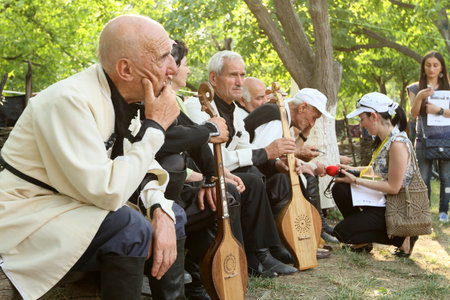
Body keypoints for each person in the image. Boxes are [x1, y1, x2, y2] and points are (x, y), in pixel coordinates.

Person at [0, 15, 187, 300]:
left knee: (173, 215)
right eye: (163, 57)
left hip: (76, 203)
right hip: (30, 213)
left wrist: (160, 210)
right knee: (131, 227)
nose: (172, 69)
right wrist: (156, 129)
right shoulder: (69, 100)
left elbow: (142, 167)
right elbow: (108, 191)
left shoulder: (125, 98)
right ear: (125, 69)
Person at [185, 50, 298, 278]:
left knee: (255, 174)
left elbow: (244, 150)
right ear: (213, 78)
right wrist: (265, 152)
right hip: (201, 177)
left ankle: (262, 252)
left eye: (242, 75)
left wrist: (272, 157)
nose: (239, 82)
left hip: (226, 173)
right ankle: (258, 255)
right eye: (233, 75)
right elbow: (211, 159)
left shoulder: (236, 112)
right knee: (253, 177)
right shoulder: (197, 107)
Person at [244, 88, 338, 245]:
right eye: (313, 117)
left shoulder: (284, 116)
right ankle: (289, 238)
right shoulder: (276, 117)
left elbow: (286, 152)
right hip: (249, 175)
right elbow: (259, 155)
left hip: (259, 173)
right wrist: (284, 164)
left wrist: (304, 135)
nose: (313, 123)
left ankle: (314, 228)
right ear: (302, 107)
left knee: (305, 173)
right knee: (287, 179)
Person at [332, 92, 417, 257]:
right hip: (383, 201)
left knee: (342, 233)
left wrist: (356, 179)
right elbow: (376, 169)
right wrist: (350, 170)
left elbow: (393, 187)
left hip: (396, 207)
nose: (361, 124)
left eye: (362, 119)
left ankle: (403, 238)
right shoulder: (385, 139)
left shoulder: (397, 144)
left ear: (373, 116)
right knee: (340, 187)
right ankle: (363, 237)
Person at [407, 51, 450, 223]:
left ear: (441, 68)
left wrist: (438, 110)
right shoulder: (415, 88)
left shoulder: (448, 87)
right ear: (423, 68)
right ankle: (423, 212)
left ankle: (444, 211)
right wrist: (419, 97)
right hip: (424, 139)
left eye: (435, 65)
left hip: (447, 139)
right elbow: (413, 114)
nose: (431, 69)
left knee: (447, 178)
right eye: (428, 65)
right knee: (423, 178)